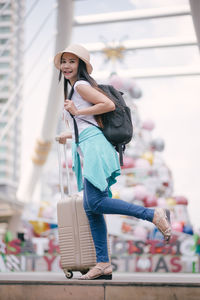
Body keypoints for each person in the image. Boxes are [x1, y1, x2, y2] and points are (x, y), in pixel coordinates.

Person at [54, 44, 171, 280]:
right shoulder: (74, 90)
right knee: (91, 208)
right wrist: (69, 133)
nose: (66, 66)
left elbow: (109, 105)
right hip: (90, 146)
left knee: (95, 204)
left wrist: (76, 113)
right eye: (64, 61)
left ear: (81, 66)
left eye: (72, 61)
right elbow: (92, 122)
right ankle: (103, 264)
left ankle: (152, 214)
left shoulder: (81, 85)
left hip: (95, 149)